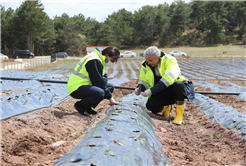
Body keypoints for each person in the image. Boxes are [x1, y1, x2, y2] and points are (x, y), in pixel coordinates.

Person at [135, 46, 187, 125]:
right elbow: (143, 80)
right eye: (147, 60)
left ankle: (179, 115)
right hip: (160, 90)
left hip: (174, 91)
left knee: (178, 84)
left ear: (158, 57)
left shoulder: (170, 60)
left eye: (150, 60)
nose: (148, 62)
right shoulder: (145, 65)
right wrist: (140, 87)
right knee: (150, 106)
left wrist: (151, 91)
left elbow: (168, 79)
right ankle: (166, 108)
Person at [67, 47, 120, 116]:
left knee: (110, 87)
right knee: (99, 93)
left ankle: (87, 107)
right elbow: (98, 82)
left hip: (86, 85)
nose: (111, 63)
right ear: (107, 55)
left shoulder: (100, 59)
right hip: (76, 87)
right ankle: (80, 106)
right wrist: (111, 98)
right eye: (112, 61)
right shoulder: (94, 60)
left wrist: (102, 80)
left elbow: (103, 77)